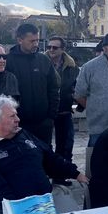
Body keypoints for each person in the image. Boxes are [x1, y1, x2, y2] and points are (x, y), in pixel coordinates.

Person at [0, 95, 88, 204]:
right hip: (14, 213)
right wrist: (25, 209)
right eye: (12, 116)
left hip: (46, 202)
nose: (18, 119)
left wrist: (75, 173)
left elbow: (49, 158)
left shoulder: (23, 135)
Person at [6, 23, 60, 144]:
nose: (36, 44)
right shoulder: (8, 61)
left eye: (37, 40)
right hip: (18, 123)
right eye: (32, 41)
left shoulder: (44, 60)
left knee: (45, 157)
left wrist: (51, 117)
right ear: (20, 40)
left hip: (43, 124)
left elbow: (53, 89)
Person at [46, 36, 79, 185]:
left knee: (65, 146)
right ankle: (44, 176)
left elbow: (78, 87)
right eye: (49, 47)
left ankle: (61, 176)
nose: (51, 50)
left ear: (62, 49)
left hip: (64, 111)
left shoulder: (72, 67)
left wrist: (78, 103)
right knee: (45, 146)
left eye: (55, 47)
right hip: (45, 111)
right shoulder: (41, 63)